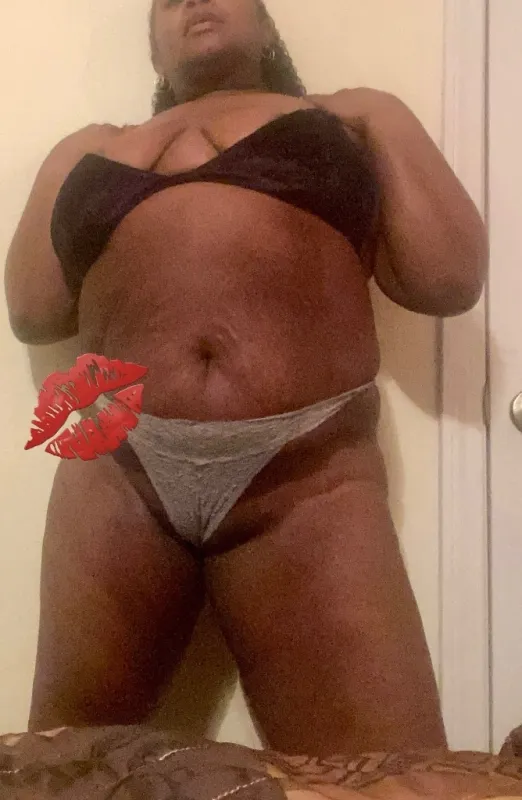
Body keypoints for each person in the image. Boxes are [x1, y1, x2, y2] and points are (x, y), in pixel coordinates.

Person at [4, 0, 487, 756]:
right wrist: (66, 164)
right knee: (58, 768)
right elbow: (34, 310)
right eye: (167, 1)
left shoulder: (342, 119)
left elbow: (446, 278)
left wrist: (383, 116)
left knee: (393, 777)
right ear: (155, 52)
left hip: (308, 474)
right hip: (118, 474)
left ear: (266, 28)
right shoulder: (97, 146)